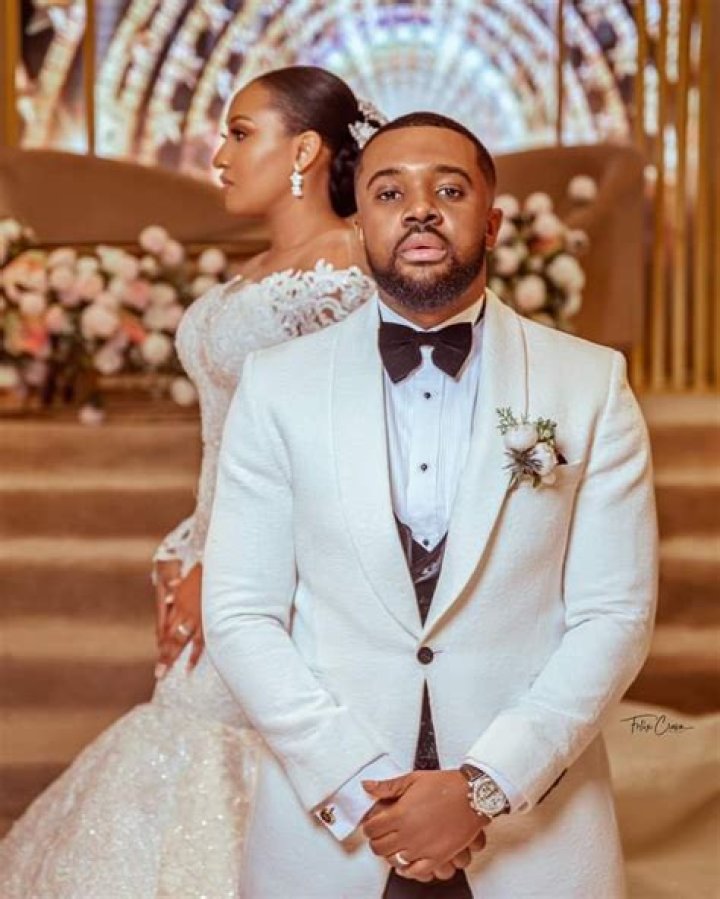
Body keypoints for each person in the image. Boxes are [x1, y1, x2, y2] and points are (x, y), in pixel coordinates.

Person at [203, 111, 658, 898]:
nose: (419, 209)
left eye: (449, 190)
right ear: (359, 227)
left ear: (493, 222)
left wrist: (484, 786)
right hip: (333, 836)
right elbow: (242, 612)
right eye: (389, 192)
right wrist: (362, 787)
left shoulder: (590, 384)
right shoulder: (277, 386)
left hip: (533, 836)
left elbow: (614, 615)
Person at [0, 66, 384, 898]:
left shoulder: (349, 273)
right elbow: (226, 442)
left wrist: (231, 565)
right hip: (211, 548)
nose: (218, 155)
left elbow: (335, 453)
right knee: (193, 744)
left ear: (305, 151)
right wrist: (186, 547)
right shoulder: (258, 269)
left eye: (241, 133)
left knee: (231, 740)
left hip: (286, 573)